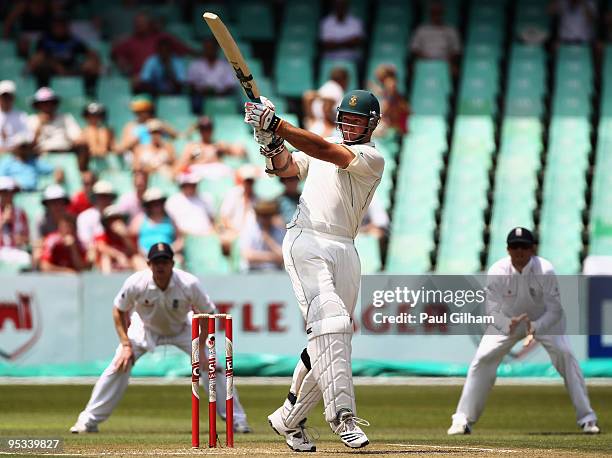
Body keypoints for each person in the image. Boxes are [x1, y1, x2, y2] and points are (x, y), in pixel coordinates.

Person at [244, 88, 385, 450]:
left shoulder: (370, 158)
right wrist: (269, 142)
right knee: (331, 325)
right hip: (307, 239)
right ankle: (343, 417)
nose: (350, 125)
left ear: (371, 125)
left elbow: (326, 151)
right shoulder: (321, 148)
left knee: (330, 337)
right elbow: (285, 169)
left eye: (357, 120)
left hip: (346, 247)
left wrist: (277, 124)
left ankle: (288, 420)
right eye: (346, 118)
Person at [69, 242, 251, 433]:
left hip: (183, 328)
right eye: (156, 262)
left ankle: (236, 420)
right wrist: (125, 345)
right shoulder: (137, 282)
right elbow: (118, 310)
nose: (160, 266)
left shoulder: (188, 283)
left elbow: (208, 313)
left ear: (172, 264)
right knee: (118, 366)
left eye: (165, 261)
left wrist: (203, 348)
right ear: (149, 264)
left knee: (213, 366)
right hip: (144, 328)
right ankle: (88, 421)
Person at [447, 227, 600, 436]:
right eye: (514, 247)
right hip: (508, 322)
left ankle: (587, 419)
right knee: (482, 359)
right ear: (508, 249)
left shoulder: (545, 270)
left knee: (566, 355)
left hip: (544, 321)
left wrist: (535, 327)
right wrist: (506, 323)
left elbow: (555, 310)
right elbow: (492, 310)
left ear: (533, 249)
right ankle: (462, 420)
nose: (519, 251)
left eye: (524, 247)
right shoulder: (498, 271)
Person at [27, 14, 101, 91]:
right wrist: (56, 66)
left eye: (62, 25)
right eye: (57, 25)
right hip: (51, 70)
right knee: (42, 67)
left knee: (90, 66)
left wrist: (92, 62)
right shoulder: (44, 40)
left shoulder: (74, 40)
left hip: (70, 69)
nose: (60, 27)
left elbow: (91, 54)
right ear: (52, 26)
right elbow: (38, 57)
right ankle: (43, 93)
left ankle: (90, 94)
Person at [111, 12, 192, 82]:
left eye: (142, 22)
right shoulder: (129, 41)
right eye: (137, 22)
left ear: (150, 23)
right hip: (139, 79)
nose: (139, 25)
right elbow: (114, 54)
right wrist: (121, 62)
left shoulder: (162, 37)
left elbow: (184, 50)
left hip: (162, 78)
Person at [174, 116, 243, 179]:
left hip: (218, 175)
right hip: (199, 175)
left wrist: (224, 150)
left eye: (208, 128)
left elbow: (240, 152)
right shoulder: (192, 146)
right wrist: (192, 157)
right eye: (203, 128)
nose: (206, 131)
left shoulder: (219, 145)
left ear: (212, 129)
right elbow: (181, 165)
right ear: (199, 130)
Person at [187, 38, 237, 113]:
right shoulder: (195, 64)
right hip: (201, 96)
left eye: (211, 48)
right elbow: (190, 84)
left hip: (222, 95)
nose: (209, 50)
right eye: (207, 48)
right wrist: (202, 91)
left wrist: (218, 93)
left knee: (233, 100)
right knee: (195, 101)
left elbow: (230, 85)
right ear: (204, 49)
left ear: (217, 49)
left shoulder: (225, 65)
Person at [27, 87, 83, 154]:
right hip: (41, 156)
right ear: (38, 106)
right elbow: (28, 145)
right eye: (43, 103)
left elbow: (77, 138)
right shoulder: (31, 120)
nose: (47, 106)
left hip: (64, 155)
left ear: (55, 104)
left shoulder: (66, 118)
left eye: (50, 102)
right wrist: (40, 126)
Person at [130, 188, 182, 257]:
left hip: (167, 256)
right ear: (148, 205)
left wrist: (171, 249)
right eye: (153, 203)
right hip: (144, 257)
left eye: (159, 203)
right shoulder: (140, 219)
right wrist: (141, 252)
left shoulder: (171, 219)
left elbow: (180, 239)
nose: (157, 206)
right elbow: (131, 239)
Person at [219, 165, 258, 255]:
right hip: (233, 231)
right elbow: (224, 218)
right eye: (247, 181)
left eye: (251, 181)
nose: (249, 184)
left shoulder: (257, 198)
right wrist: (236, 231)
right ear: (242, 181)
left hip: (251, 234)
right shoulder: (233, 194)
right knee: (226, 240)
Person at [94, 205, 146, 274]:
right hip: (109, 268)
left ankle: (146, 283)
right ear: (106, 223)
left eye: (117, 219)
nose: (114, 222)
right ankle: (107, 282)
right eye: (111, 220)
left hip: (128, 265)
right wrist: (118, 255)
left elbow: (135, 252)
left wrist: (124, 236)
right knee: (106, 258)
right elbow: (101, 247)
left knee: (137, 259)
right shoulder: (103, 235)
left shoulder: (129, 235)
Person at [410, 2, 461, 70]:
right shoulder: (421, 29)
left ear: (442, 14)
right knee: (413, 67)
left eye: (439, 13)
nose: (436, 15)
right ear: (430, 14)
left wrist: (446, 59)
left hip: (445, 62)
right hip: (424, 61)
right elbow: (414, 49)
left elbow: (456, 50)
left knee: (455, 69)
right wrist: (425, 58)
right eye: (434, 13)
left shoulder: (451, 30)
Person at [240, 199, 285, 272]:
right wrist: (272, 257)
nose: (265, 219)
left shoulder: (279, 231)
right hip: (252, 272)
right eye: (262, 215)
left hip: (275, 272)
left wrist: (268, 239)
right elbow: (247, 255)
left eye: (268, 215)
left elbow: (284, 257)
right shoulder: (250, 230)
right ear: (257, 215)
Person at [302, 67, 348, 137]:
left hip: (315, 126)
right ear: (344, 80)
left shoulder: (326, 86)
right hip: (326, 130)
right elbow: (328, 103)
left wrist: (311, 119)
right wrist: (328, 125)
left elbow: (308, 96)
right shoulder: (337, 89)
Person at [76, 180, 117, 253]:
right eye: (100, 196)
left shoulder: (118, 214)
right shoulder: (84, 217)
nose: (104, 200)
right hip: (96, 256)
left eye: (107, 196)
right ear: (95, 198)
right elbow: (86, 244)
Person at [0, 176, 31, 268]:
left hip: (16, 251)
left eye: (11, 193)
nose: (8, 196)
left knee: (27, 259)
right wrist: (3, 221)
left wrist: (21, 239)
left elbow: (27, 238)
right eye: (4, 193)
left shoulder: (20, 212)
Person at [0, 80, 31, 154]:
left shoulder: (22, 116)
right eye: (4, 96)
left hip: (16, 154)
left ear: (13, 97)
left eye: (9, 96)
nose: (6, 99)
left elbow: (27, 137)